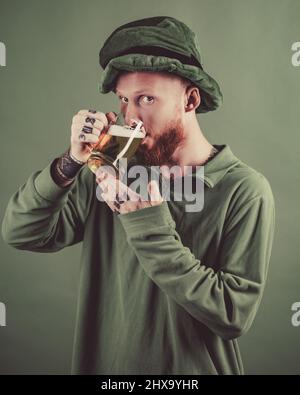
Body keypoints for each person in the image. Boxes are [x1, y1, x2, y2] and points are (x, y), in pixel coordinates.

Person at [1, 16, 275, 375]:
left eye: (146, 99)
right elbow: (22, 232)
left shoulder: (244, 190)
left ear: (190, 100)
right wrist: (71, 162)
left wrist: (147, 225)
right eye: (123, 100)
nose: (131, 118)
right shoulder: (110, 170)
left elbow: (232, 313)